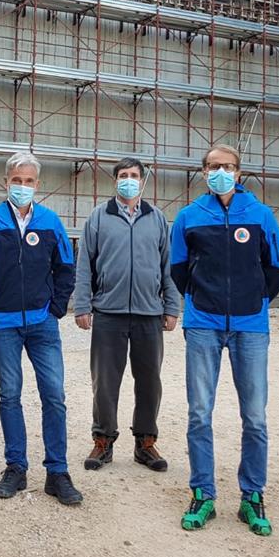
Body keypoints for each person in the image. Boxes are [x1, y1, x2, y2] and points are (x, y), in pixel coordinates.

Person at [170, 143, 279, 534]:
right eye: (213, 166)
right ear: (203, 172)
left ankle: (252, 495)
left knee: (254, 416)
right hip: (203, 323)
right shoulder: (189, 216)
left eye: (228, 166)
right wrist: (201, 297)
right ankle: (203, 494)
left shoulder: (260, 214)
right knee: (199, 412)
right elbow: (178, 268)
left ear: (239, 172)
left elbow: (277, 267)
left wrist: (253, 299)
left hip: (250, 325)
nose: (220, 172)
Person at [0, 151, 81, 505]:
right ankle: (15, 468)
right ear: (6, 182)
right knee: (10, 395)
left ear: (37, 185)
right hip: (3, 325)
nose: (22, 186)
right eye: (17, 180)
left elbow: (66, 267)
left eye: (29, 181)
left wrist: (56, 308)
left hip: (43, 324)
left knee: (54, 395)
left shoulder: (50, 221)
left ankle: (57, 472)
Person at [73, 157, 180, 473]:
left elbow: (169, 266)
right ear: (115, 180)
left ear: (142, 181)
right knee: (105, 381)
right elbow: (85, 264)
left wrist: (172, 307)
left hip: (149, 313)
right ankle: (103, 440)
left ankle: (145, 442)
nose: (128, 180)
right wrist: (82, 304)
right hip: (109, 312)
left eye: (134, 175)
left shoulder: (156, 218)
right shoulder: (98, 217)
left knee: (149, 381)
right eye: (123, 175)